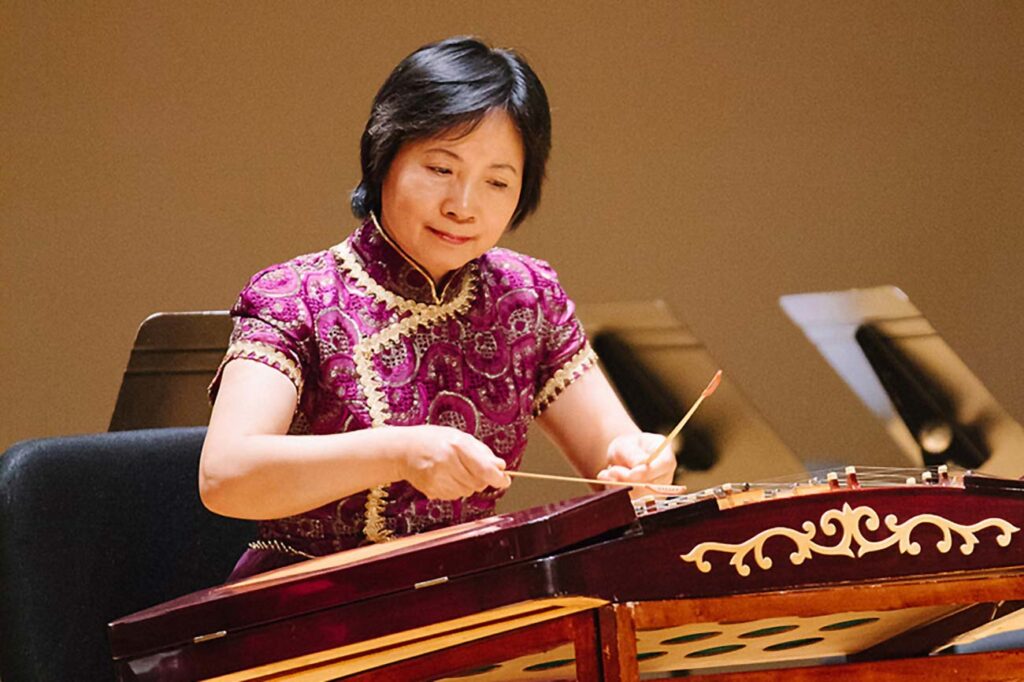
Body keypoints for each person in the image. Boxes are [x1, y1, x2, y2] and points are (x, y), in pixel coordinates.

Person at [199, 36, 676, 581]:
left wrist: (640, 461)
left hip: (463, 603)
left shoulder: (526, 295)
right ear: (385, 155)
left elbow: (609, 459)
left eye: (497, 181)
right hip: (305, 606)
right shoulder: (295, 296)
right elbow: (226, 475)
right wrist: (401, 452)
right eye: (441, 169)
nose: (463, 206)